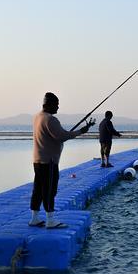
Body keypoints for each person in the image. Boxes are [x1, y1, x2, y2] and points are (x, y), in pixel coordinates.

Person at [29, 92, 95, 227]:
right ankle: (50, 220)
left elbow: (54, 136)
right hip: (49, 161)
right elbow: (62, 136)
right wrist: (81, 131)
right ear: (49, 105)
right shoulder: (50, 119)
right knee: (49, 189)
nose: (58, 108)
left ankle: (34, 218)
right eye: (56, 105)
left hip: (37, 160)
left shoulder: (37, 117)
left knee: (38, 189)